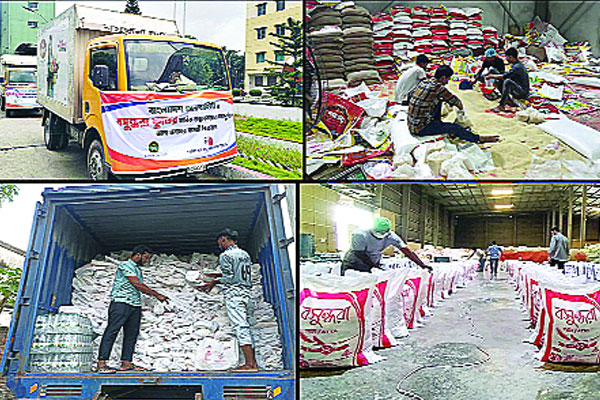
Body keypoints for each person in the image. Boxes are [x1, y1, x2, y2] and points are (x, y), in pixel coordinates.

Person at [97, 246, 168, 374]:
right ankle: (102, 363)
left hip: (134, 305)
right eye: (146, 257)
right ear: (138, 255)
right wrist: (157, 295)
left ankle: (126, 363)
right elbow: (137, 284)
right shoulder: (125, 265)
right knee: (112, 331)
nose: (147, 260)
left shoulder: (137, 269)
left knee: (131, 334)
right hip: (121, 303)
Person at [199, 229, 259, 372]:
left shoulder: (225, 255)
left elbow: (231, 278)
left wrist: (214, 282)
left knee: (240, 327)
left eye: (219, 241)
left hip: (235, 295)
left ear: (224, 239)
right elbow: (238, 274)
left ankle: (249, 365)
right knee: (248, 327)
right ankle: (254, 363)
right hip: (247, 294)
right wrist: (217, 275)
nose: (219, 244)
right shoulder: (244, 254)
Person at [408, 65, 500, 143]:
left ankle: (438, 123)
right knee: (454, 127)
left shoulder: (425, 82)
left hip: (412, 124)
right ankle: (477, 138)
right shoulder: (438, 88)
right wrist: (461, 110)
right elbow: (456, 101)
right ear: (443, 78)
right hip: (421, 128)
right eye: (447, 79)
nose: (447, 82)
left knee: (439, 101)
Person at [341, 217, 432, 275]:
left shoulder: (391, 237)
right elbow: (359, 253)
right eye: (378, 232)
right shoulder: (360, 234)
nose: (380, 235)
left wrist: (422, 265)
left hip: (372, 263)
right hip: (354, 262)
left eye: (383, 233)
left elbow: (407, 252)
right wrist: (374, 266)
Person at [488, 47, 530, 112]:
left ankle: (502, 105)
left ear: (511, 57)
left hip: (522, 92)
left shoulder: (517, 67)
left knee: (507, 82)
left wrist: (492, 76)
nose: (506, 59)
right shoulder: (515, 65)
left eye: (507, 57)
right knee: (498, 80)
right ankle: (508, 100)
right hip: (517, 87)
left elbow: (505, 76)